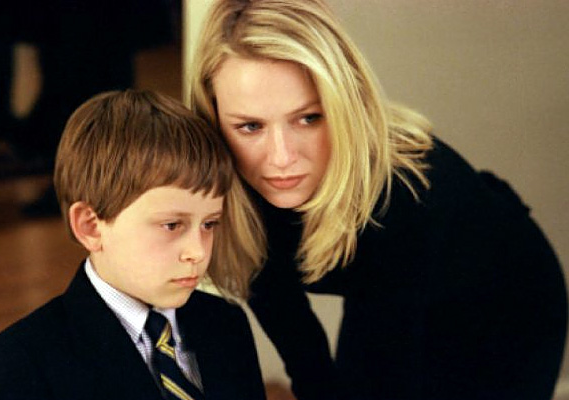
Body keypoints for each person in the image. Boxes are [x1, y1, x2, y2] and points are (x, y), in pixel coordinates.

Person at [187, 1, 568, 399]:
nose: (281, 158)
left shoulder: (399, 197)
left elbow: (377, 379)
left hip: (508, 306)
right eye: (251, 126)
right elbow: (284, 312)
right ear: (213, 117)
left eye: (309, 118)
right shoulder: (226, 177)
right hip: (402, 293)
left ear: (344, 105)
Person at [0, 89, 266, 400]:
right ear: (90, 226)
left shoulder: (226, 323)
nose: (197, 252)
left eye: (209, 224)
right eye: (171, 225)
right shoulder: (23, 361)